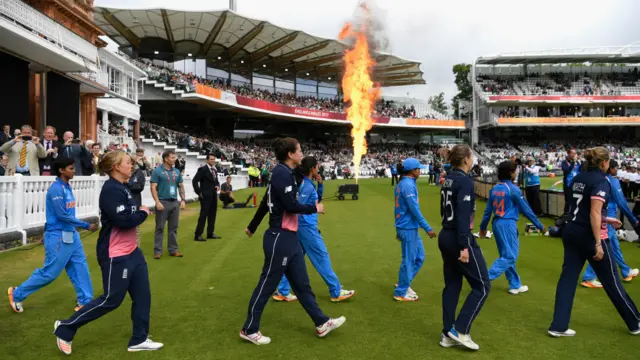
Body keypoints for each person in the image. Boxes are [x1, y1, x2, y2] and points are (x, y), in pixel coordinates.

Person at [53, 151, 163, 355]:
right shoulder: (111, 190)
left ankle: (138, 339)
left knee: (143, 296)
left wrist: (138, 212)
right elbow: (124, 221)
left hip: (132, 252)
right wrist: (143, 212)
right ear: (116, 167)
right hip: (115, 253)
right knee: (111, 299)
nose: (131, 166)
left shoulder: (123, 187)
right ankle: (65, 327)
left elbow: (127, 215)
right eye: (128, 163)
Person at [241, 137, 345, 345]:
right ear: (290, 154)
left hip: (290, 237)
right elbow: (289, 205)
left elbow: (265, 202)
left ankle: (321, 323)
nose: (301, 154)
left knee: (302, 285)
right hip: (280, 236)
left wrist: (252, 226)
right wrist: (314, 208)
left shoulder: (287, 173)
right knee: (267, 284)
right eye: (299, 150)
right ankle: (249, 329)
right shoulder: (281, 173)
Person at [548, 147, 640, 338]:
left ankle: (558, 325)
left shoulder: (577, 178)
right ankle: (635, 322)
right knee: (612, 282)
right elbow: (594, 212)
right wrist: (598, 242)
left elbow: (579, 209)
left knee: (568, 279)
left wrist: (606, 220)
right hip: (590, 236)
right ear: (604, 163)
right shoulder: (601, 181)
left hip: (571, 231)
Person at [8, 158, 98, 314]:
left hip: (71, 235)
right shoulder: (56, 189)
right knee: (50, 273)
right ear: (62, 170)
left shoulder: (66, 187)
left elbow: (52, 213)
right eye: (71, 168)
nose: (74, 170)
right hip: (58, 237)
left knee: (80, 267)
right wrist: (86, 225)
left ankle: (85, 301)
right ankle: (17, 294)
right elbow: (62, 215)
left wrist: (46, 230)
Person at [273, 156, 355, 303]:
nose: (318, 169)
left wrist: (321, 185)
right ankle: (336, 291)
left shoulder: (308, 184)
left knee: (292, 260)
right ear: (312, 169)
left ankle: (282, 291)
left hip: (303, 227)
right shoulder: (307, 185)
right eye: (317, 166)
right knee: (321, 256)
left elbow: (314, 199)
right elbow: (297, 206)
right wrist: (313, 213)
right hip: (306, 228)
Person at [438, 144, 491, 351]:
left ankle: (447, 333)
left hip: (445, 235)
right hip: (459, 238)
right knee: (483, 285)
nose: (474, 159)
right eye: (472, 156)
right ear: (466, 160)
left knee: (452, 285)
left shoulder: (449, 178)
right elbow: (462, 216)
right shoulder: (464, 181)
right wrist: (464, 246)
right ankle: (460, 330)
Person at [480, 161, 544, 295]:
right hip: (507, 224)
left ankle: (515, 284)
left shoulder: (495, 188)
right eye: (515, 171)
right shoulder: (513, 189)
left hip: (497, 223)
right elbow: (526, 210)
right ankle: (483, 278)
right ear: (510, 173)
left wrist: (483, 227)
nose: (516, 173)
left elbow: (487, 211)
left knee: (507, 255)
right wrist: (540, 226)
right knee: (510, 257)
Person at [581, 159, 640, 288]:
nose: (617, 170)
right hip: (608, 219)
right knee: (604, 246)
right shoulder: (612, 181)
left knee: (613, 246)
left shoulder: (596, 180)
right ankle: (589, 277)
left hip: (600, 217)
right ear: (611, 168)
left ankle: (625, 271)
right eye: (616, 167)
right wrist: (633, 219)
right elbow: (622, 202)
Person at [393, 158, 436, 301]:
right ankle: (400, 292)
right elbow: (414, 210)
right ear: (412, 171)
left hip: (407, 227)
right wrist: (427, 228)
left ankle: (403, 283)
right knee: (409, 260)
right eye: (418, 169)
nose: (420, 171)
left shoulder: (404, 183)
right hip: (408, 227)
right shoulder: (407, 185)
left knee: (419, 257)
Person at [150, 150, 185, 259]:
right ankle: (158, 251)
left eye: (175, 157)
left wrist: (183, 199)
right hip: (162, 202)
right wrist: (157, 202)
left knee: (173, 228)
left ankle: (173, 250)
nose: (174, 159)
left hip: (174, 202)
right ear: (166, 159)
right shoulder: (157, 171)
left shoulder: (177, 172)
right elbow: (153, 187)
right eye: (172, 157)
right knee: (160, 228)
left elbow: (180, 186)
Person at [192, 154, 221, 241]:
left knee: (212, 214)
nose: (213, 161)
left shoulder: (214, 170)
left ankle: (210, 233)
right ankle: (198, 235)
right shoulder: (203, 169)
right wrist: (199, 192)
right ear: (207, 160)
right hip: (205, 196)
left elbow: (216, 181)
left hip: (213, 195)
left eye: (214, 159)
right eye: (211, 159)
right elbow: (195, 181)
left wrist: (217, 185)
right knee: (203, 215)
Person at [128, 153, 147, 246]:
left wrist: (128, 183)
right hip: (123, 204)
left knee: (136, 229)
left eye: (130, 162)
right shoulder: (121, 172)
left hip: (135, 203)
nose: (129, 164)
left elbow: (140, 187)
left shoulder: (139, 173)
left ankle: (136, 249)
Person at [561, 148, 580, 214]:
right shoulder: (564, 162)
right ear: (568, 153)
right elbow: (566, 171)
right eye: (572, 153)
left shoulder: (577, 162)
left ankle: (574, 216)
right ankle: (566, 217)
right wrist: (573, 163)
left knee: (576, 201)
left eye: (575, 153)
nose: (574, 155)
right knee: (568, 202)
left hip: (577, 185)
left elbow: (581, 171)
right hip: (568, 185)